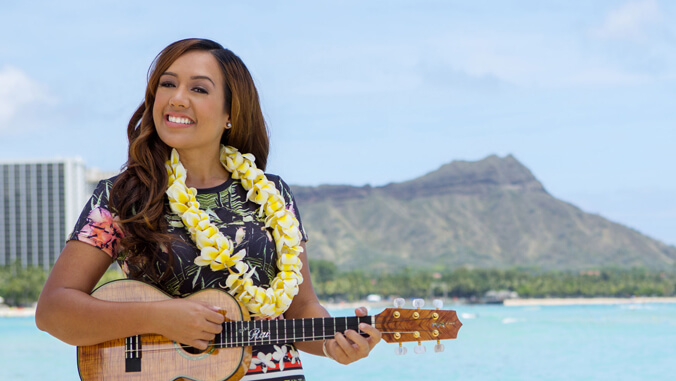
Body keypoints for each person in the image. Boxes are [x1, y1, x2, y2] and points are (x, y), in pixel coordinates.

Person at [35, 38, 381, 380]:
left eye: (198, 89)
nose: (177, 98)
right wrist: (159, 317)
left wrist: (337, 344)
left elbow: (302, 309)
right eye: (167, 84)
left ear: (231, 113)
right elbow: (54, 311)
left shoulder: (272, 194)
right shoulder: (121, 196)